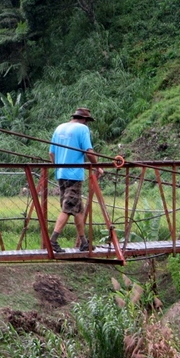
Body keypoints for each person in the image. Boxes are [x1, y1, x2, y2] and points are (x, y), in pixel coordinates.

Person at [48, 107, 103, 253]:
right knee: (68, 207)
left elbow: (51, 153)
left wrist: (59, 167)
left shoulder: (59, 128)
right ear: (85, 120)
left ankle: (84, 242)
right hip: (74, 176)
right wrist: (97, 166)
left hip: (61, 174)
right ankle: (52, 241)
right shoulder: (82, 129)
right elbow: (88, 152)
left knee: (78, 209)